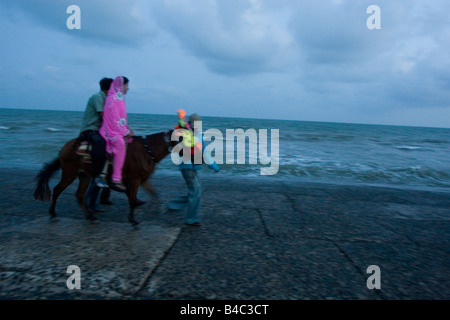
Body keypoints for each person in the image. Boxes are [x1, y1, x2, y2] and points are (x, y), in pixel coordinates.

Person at [167, 113, 220, 226]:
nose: (198, 125)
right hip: (187, 167)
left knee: (195, 191)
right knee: (196, 191)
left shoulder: (197, 135)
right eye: (196, 123)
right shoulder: (186, 134)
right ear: (191, 123)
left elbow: (204, 152)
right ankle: (192, 219)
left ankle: (173, 205)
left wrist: (214, 166)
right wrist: (214, 166)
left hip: (193, 167)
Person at [79, 77, 114, 213]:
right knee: (102, 149)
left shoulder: (107, 99)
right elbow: (103, 115)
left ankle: (104, 193)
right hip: (90, 130)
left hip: (100, 130)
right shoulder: (98, 97)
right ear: (108, 88)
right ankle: (96, 174)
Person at [99, 76, 133, 192]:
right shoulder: (112, 99)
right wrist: (124, 131)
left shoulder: (119, 98)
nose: (128, 88)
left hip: (116, 129)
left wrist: (127, 130)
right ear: (121, 85)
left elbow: (122, 118)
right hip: (109, 130)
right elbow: (113, 119)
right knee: (119, 143)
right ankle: (116, 179)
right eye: (126, 85)